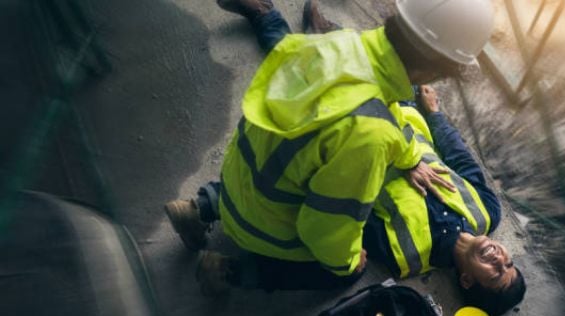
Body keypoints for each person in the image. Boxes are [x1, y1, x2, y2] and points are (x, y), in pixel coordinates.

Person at [165, 0, 498, 296]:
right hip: (258, 223)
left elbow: (385, 104)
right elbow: (323, 229)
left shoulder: (343, 44)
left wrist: (410, 158)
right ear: (438, 68)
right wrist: (348, 261)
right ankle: (225, 271)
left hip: (240, 177)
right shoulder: (369, 136)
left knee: (299, 158)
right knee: (342, 273)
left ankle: (199, 207)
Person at [364, 85, 525, 316]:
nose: (500, 260)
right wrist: (433, 114)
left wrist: (401, 160)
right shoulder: (489, 212)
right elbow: (459, 156)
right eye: (509, 264)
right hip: (406, 109)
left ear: (467, 280)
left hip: (362, 126)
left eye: (496, 273)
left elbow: (350, 197)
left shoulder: (403, 258)